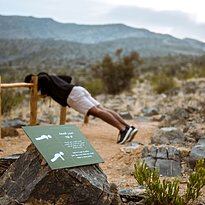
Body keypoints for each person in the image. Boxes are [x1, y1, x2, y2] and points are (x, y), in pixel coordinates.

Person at [25, 72, 138, 144]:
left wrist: (45, 91)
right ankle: (129, 127)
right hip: (77, 89)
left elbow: (44, 78)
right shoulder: (52, 78)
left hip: (72, 96)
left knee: (97, 112)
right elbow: (68, 77)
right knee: (102, 109)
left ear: (31, 80)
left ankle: (123, 130)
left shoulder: (42, 77)